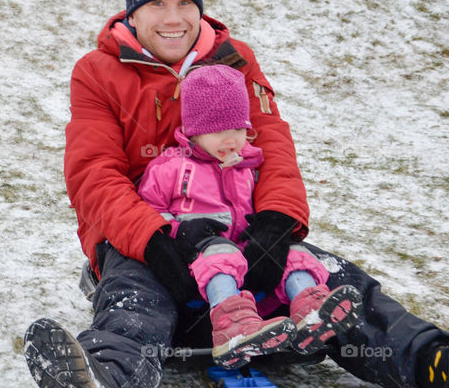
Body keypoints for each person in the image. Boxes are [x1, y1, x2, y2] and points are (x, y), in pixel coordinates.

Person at [23, 0, 449, 388]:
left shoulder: (234, 59)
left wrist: (275, 225)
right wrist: (156, 240)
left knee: (332, 281)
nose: (173, 17)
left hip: (240, 236)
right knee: (137, 301)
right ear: (133, 14)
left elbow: (273, 146)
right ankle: (107, 386)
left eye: (184, 3)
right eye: (157, 4)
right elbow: (93, 174)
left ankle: (443, 365)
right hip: (151, 241)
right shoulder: (98, 72)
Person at [135, 63, 363, 368]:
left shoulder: (251, 167)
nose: (231, 139)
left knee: (294, 252)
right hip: (194, 264)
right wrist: (177, 230)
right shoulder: (172, 167)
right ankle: (232, 326)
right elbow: (147, 211)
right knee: (221, 252)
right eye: (218, 131)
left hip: (247, 263)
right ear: (193, 130)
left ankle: (310, 310)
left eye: (239, 129)